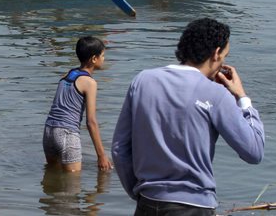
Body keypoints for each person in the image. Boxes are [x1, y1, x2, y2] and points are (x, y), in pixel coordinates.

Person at [111, 18, 265, 216]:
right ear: (216, 53)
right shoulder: (216, 94)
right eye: (225, 55)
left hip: (148, 202)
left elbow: (119, 149)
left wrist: (139, 192)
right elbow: (254, 152)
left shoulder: (142, 80)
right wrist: (242, 98)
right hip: (194, 206)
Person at [43, 36, 112, 173]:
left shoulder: (67, 74)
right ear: (94, 59)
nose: (104, 59)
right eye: (103, 55)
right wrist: (101, 155)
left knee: (53, 177)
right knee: (73, 185)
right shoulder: (89, 83)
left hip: (49, 131)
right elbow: (91, 122)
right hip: (67, 134)